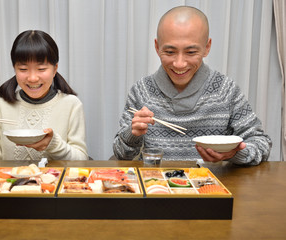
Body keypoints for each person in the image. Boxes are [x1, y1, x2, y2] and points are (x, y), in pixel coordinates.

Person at [113, 6, 272, 165]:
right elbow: (121, 154)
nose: (179, 63)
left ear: (207, 47)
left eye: (190, 52)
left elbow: (261, 143)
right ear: (157, 47)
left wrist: (233, 154)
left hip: (211, 186)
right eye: (169, 52)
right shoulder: (142, 91)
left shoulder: (225, 91)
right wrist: (133, 133)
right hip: (157, 185)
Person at [0, 30, 88, 160]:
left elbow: (81, 160)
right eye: (23, 69)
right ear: (14, 68)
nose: (32, 78)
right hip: (8, 180)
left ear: (55, 69)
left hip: (55, 180)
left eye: (41, 69)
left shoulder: (71, 105)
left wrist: (54, 144)